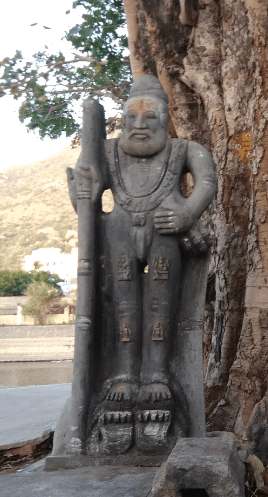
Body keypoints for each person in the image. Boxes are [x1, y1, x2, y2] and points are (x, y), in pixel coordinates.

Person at [68, 75, 216, 420]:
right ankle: (123, 373)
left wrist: (187, 213)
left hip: (165, 231)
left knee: (161, 305)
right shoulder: (104, 151)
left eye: (150, 117)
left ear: (164, 120)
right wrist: (83, 191)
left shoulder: (184, 150)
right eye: (131, 117)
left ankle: (156, 374)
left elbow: (207, 182)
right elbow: (87, 196)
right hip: (119, 233)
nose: (139, 125)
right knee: (124, 305)